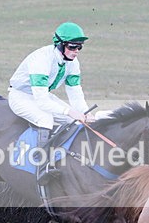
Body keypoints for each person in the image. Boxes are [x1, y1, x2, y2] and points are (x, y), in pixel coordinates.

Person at [8, 22, 93, 181]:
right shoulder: (42, 59)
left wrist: (84, 113)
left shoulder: (73, 63)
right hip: (21, 96)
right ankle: (41, 166)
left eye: (79, 47)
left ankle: (63, 158)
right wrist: (70, 111)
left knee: (74, 121)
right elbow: (41, 101)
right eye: (72, 47)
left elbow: (75, 92)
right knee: (45, 119)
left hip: (42, 95)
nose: (76, 51)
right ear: (60, 44)